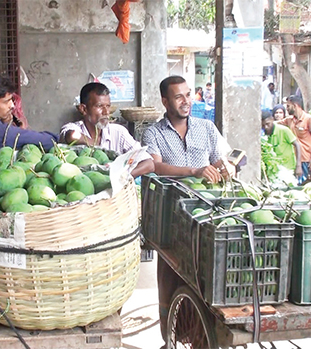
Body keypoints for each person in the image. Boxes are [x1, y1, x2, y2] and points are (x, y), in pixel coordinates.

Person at [141, 76, 232, 348]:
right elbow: (155, 166)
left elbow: (223, 158)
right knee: (171, 280)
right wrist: (194, 171)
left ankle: (201, 338)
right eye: (178, 97)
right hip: (171, 219)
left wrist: (228, 167)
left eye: (188, 95)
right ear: (165, 101)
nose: (185, 101)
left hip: (206, 215)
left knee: (205, 279)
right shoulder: (153, 133)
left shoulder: (206, 128)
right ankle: (173, 337)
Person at [59, 82, 154, 178]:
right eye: (99, 106)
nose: (106, 112)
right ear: (83, 109)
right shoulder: (74, 128)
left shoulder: (118, 132)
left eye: (108, 106)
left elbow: (149, 164)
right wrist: (97, 148)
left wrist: (121, 176)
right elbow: (71, 135)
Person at [278, 94, 311, 184]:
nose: (286, 109)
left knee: (309, 185)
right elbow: (274, 124)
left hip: (306, 161)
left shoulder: (309, 119)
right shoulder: (289, 120)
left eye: (288, 106)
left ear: (295, 106)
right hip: (294, 160)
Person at [261, 110, 302, 178]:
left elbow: (297, 145)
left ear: (272, 119)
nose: (265, 127)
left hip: (288, 168)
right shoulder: (264, 136)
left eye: (267, 124)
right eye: (263, 125)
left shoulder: (283, 130)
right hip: (275, 171)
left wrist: (298, 166)